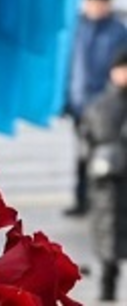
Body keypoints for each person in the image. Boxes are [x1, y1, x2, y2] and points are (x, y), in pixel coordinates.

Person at [70, 0, 127, 216]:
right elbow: (69, 68)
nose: (96, 6)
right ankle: (83, 200)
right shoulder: (77, 29)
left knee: (108, 154)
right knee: (83, 153)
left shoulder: (118, 31)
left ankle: (108, 201)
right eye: (92, 2)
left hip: (107, 106)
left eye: (101, 2)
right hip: (81, 103)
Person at [82, 48, 127, 300]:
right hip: (108, 182)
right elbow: (88, 138)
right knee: (108, 235)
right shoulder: (100, 105)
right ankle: (107, 290)